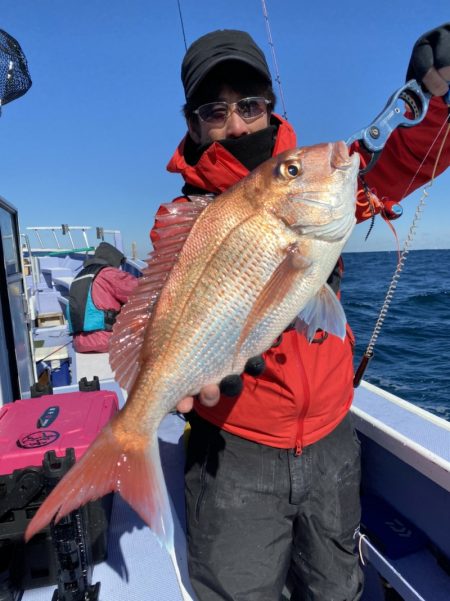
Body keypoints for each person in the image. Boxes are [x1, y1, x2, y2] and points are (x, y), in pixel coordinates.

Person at [150, 27, 450, 601]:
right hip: (232, 454)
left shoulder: (317, 183)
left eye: (250, 105)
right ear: (194, 124)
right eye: (216, 111)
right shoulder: (183, 216)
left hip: (333, 442)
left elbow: (396, 163)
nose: (236, 124)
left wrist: (437, 99)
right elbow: (167, 317)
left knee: (337, 590)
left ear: (270, 108)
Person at [68, 241, 138, 353]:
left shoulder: (79, 276)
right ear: (112, 260)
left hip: (79, 343)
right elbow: (139, 292)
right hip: (105, 339)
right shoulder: (108, 273)